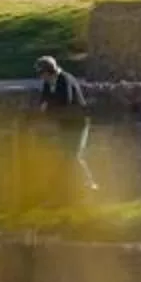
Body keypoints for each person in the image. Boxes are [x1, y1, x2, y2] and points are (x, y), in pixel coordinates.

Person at [36, 55, 95, 192]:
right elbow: (43, 100)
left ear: (48, 70)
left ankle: (89, 183)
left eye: (41, 72)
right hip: (64, 123)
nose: (40, 76)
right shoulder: (48, 83)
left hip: (78, 123)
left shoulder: (65, 79)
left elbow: (66, 101)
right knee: (65, 154)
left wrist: (48, 108)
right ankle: (68, 186)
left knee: (73, 154)